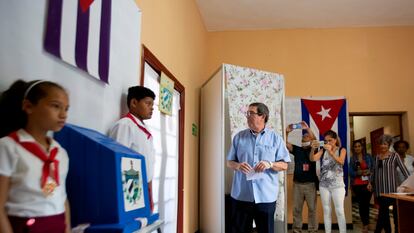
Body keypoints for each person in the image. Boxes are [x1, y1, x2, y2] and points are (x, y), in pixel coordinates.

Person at [0, 80, 70, 233]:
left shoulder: (60, 153)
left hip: (56, 225)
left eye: (66, 108)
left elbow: (62, 198)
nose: (63, 114)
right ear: (28, 106)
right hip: (24, 226)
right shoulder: (8, 147)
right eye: (55, 106)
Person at [227, 102, 290, 233]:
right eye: (247, 113)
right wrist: (238, 165)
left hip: (266, 196)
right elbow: (229, 162)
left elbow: (285, 164)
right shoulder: (239, 137)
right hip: (241, 195)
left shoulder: (275, 139)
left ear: (263, 116)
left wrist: (270, 164)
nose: (247, 116)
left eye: (251, 113)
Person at [108, 86, 156, 210]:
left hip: (144, 187)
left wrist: (149, 188)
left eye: (152, 104)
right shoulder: (125, 125)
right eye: (148, 103)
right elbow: (117, 163)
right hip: (130, 189)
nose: (152, 107)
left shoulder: (143, 129)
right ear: (134, 103)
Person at [368, 134, 409, 233]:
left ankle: (378, 230)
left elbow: (405, 171)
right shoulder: (377, 157)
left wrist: (409, 184)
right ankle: (388, 231)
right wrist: (370, 183)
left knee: (384, 212)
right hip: (379, 189)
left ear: (389, 144)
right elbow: (374, 171)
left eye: (385, 144)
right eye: (381, 144)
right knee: (384, 213)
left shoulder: (395, 156)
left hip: (391, 190)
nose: (383, 146)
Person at [310, 130, 346, 233]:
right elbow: (313, 159)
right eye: (325, 141)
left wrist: (331, 152)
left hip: (337, 186)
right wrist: (313, 149)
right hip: (324, 185)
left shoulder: (341, 149)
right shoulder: (323, 150)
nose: (328, 143)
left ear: (335, 140)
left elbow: (341, 161)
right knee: (326, 210)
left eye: (330, 140)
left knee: (339, 211)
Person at [286, 121, 318, 233]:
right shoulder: (297, 149)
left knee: (312, 209)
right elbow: (285, 144)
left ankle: (312, 229)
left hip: (310, 184)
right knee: (297, 209)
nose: (305, 136)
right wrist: (286, 132)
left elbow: (315, 141)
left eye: (307, 135)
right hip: (297, 184)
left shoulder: (314, 149)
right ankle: (296, 229)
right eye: (303, 135)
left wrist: (307, 128)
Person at [349, 141, 373, 233]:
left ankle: (367, 222)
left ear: (362, 147)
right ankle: (365, 224)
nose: (357, 148)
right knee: (361, 205)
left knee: (366, 204)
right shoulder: (352, 159)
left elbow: (373, 168)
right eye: (355, 146)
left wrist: (368, 171)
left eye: (359, 146)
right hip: (357, 185)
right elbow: (350, 172)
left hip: (368, 184)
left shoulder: (368, 156)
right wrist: (357, 173)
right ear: (353, 148)